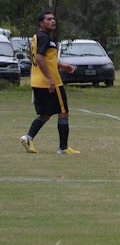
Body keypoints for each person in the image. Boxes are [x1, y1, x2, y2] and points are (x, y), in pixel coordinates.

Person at [20, 11, 80, 154]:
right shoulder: (45, 37)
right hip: (50, 82)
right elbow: (40, 58)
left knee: (45, 114)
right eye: (48, 19)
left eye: (53, 18)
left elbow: (45, 59)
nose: (53, 21)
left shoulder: (37, 37)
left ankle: (28, 137)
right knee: (63, 112)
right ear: (41, 23)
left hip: (36, 81)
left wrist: (61, 65)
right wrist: (50, 78)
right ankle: (63, 148)